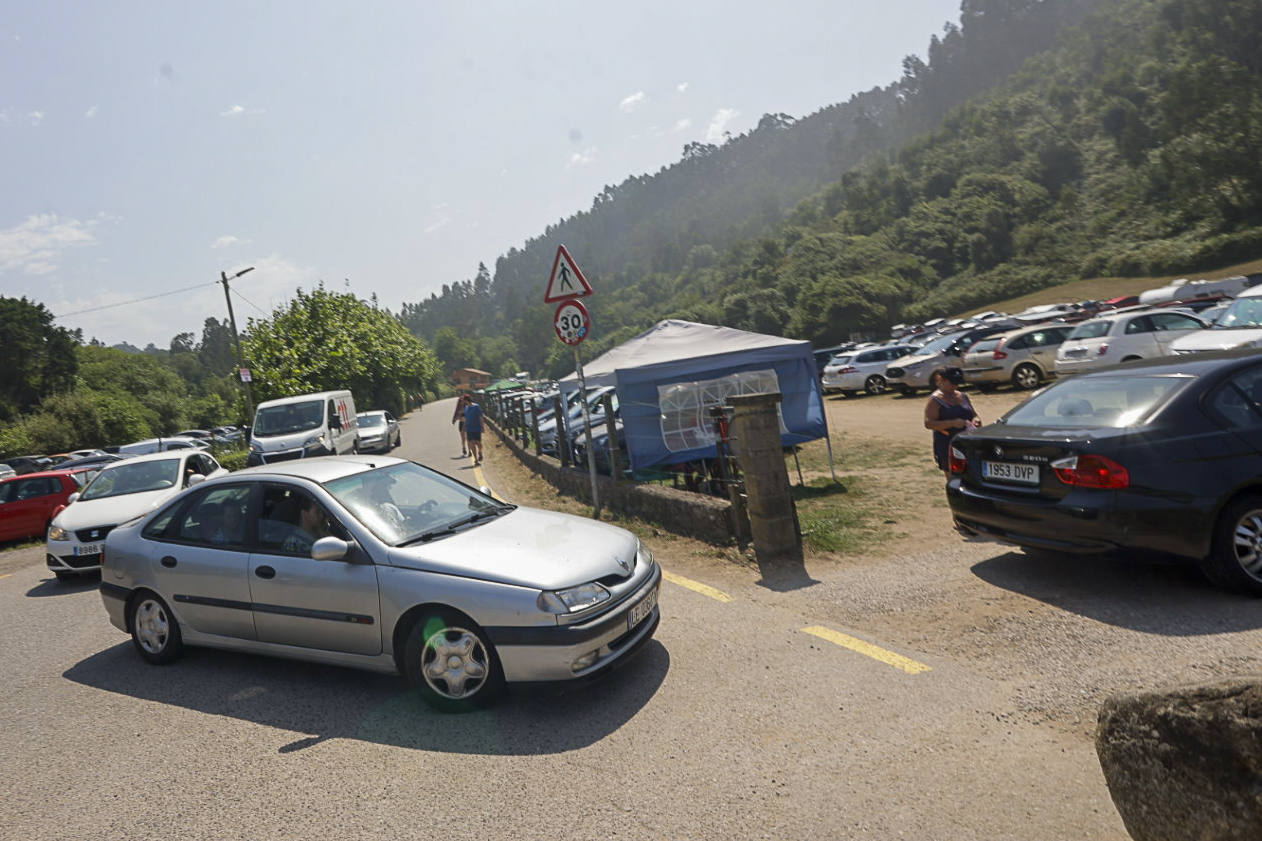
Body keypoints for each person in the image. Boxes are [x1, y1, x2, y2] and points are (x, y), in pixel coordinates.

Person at [923, 366, 981, 480]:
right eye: (952, 383)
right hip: (947, 443)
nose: (955, 386)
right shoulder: (935, 400)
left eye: (958, 383)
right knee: (954, 478)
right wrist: (952, 423)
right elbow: (928, 423)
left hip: (968, 442)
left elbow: (973, 414)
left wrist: (976, 420)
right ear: (941, 380)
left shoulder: (963, 396)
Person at [464, 397, 484, 465]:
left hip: (477, 428)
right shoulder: (466, 408)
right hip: (469, 429)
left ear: (467, 400)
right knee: (472, 444)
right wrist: (465, 427)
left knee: (478, 443)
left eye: (465, 401)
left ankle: (480, 452)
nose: (464, 402)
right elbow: (466, 418)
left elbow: (480, 417)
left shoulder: (476, 406)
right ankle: (476, 459)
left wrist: (482, 427)